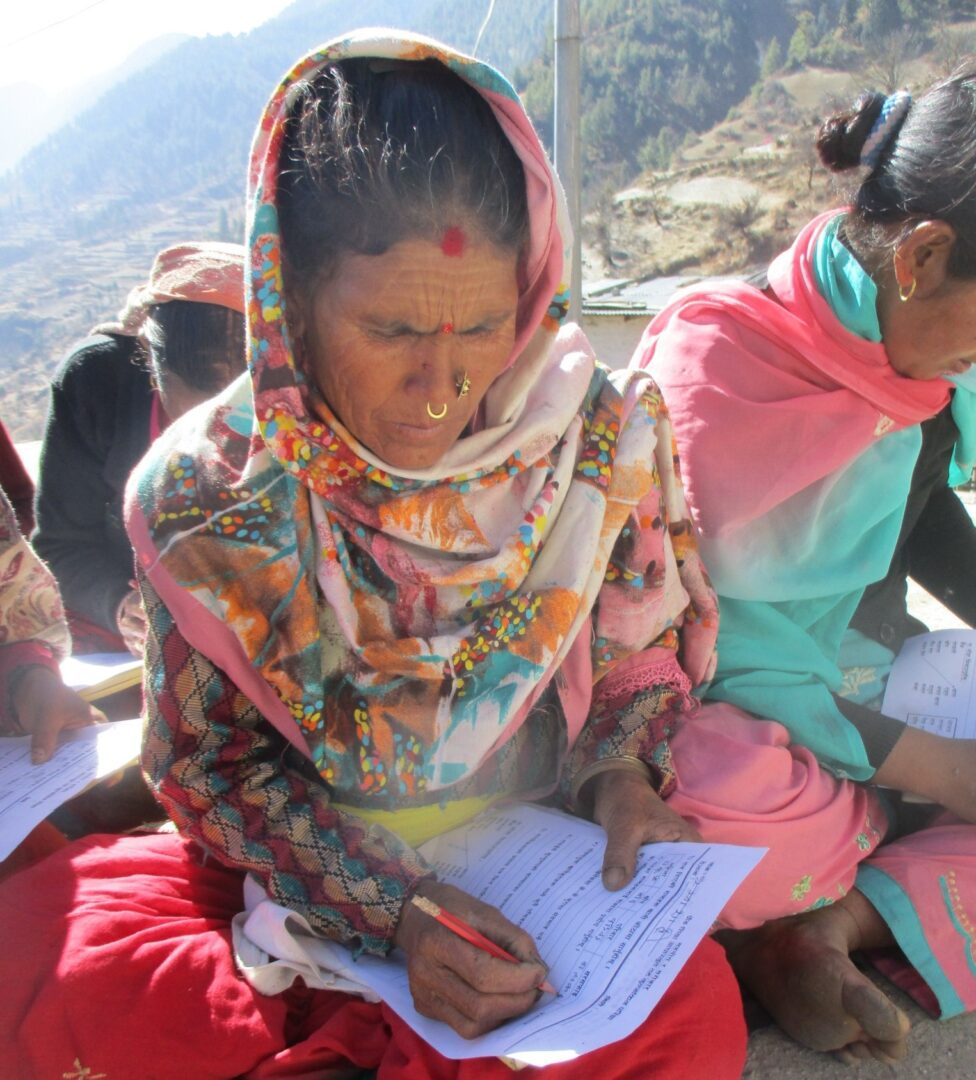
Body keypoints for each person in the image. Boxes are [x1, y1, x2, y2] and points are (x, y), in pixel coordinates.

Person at [0, 32, 748, 1079]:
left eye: (483, 328)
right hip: (300, 874)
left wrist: (621, 776)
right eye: (394, 330)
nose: (442, 391)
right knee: (61, 974)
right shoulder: (205, 499)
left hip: (531, 865)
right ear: (290, 299)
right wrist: (391, 908)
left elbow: (633, 653)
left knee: (686, 1015)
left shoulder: (596, 441)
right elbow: (210, 765)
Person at [635, 68, 976, 1062]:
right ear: (920, 256)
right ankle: (868, 866)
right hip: (720, 714)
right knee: (706, 813)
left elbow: (924, 526)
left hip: (865, 682)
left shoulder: (916, 368)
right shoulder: (715, 368)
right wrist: (946, 769)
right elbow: (710, 645)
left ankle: (824, 930)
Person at [32, 242, 247, 657]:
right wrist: (122, 605)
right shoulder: (96, 383)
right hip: (140, 639)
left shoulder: (301, 390)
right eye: (203, 390)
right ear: (148, 359)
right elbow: (62, 545)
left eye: (245, 391)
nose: (226, 417)